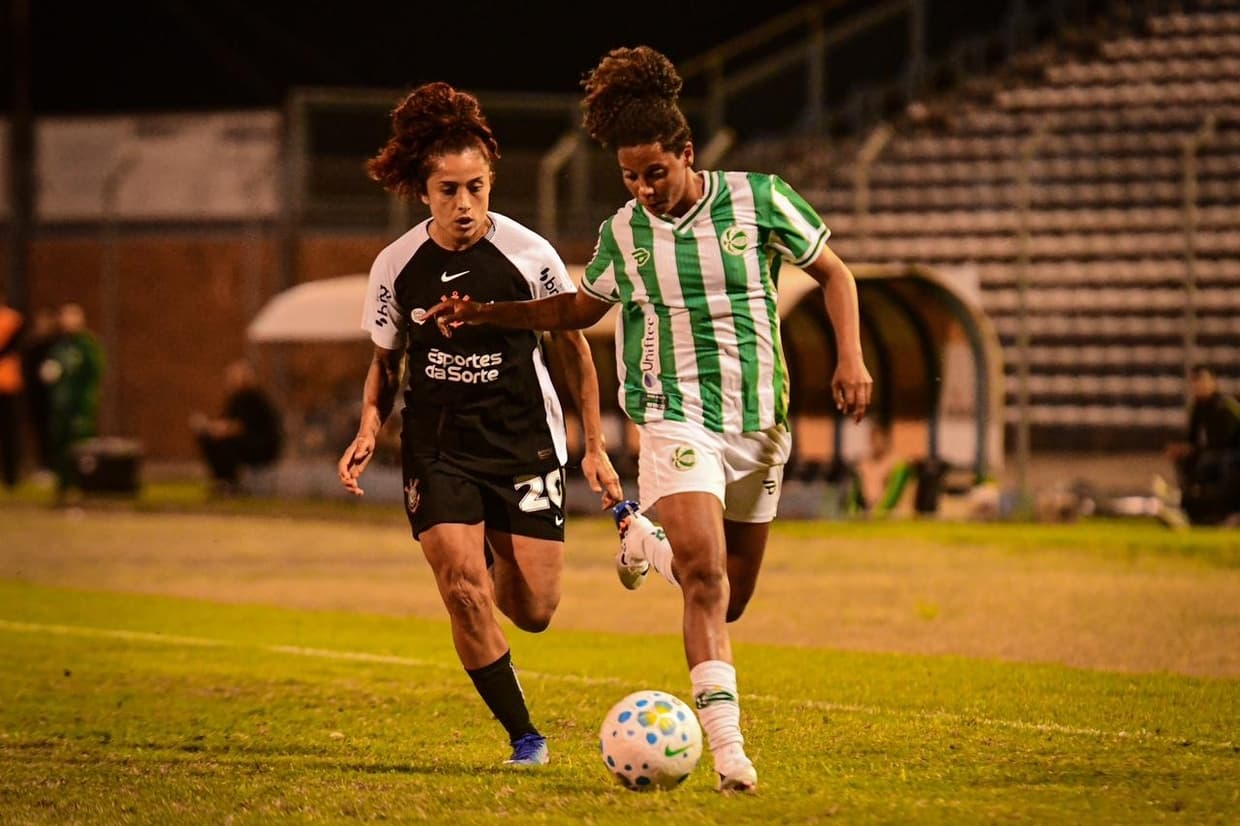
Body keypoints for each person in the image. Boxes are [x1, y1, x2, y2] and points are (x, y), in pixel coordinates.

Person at [428, 45, 872, 792]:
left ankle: (641, 536)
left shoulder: (761, 199)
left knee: (733, 590)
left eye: (655, 172)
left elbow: (834, 272)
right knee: (705, 577)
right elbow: (578, 308)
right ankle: (730, 753)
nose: (643, 189)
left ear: (687, 153)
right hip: (674, 415)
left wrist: (850, 358)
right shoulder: (623, 234)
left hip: (760, 423)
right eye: (629, 177)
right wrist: (490, 313)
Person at [335, 81, 623, 767]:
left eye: (475, 188)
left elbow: (572, 347)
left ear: (491, 182)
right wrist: (370, 424)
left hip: (524, 443)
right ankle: (526, 737)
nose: (463, 205)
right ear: (422, 190)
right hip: (439, 448)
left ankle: (491, 546)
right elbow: (386, 361)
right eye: (447, 190)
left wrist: (596, 446)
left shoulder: (531, 257)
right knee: (461, 588)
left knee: (535, 610)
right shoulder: (396, 267)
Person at [189, 358, 284, 495]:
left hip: (262, 446)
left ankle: (230, 484)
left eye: (235, 377)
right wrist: (211, 428)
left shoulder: (252, 397)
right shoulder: (235, 399)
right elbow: (225, 421)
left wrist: (218, 430)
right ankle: (222, 482)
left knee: (224, 443)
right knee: (209, 440)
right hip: (246, 443)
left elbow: (240, 426)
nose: (230, 381)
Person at [40, 302, 104, 499]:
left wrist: (87, 400)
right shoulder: (59, 346)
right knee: (60, 446)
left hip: (80, 407)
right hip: (60, 406)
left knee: (81, 448)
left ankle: (83, 486)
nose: (67, 320)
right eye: (64, 316)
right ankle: (63, 486)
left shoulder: (87, 346)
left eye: (72, 316)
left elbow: (95, 373)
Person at [1164, 365, 1240, 525]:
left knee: (1212, 463)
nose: (1200, 386)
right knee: (1189, 461)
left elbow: (1224, 442)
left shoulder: (1225, 406)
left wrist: (1193, 449)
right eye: (1196, 382)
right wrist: (1183, 449)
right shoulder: (1198, 407)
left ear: (1214, 383)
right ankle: (1189, 504)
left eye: (1203, 381)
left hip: (1231, 454)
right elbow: (1192, 438)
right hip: (1216, 452)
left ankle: (1209, 509)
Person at [20, 305, 59, 476]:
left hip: (55, 396)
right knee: (39, 430)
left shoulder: (57, 345)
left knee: (54, 431)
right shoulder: (31, 345)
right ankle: (43, 465)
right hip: (35, 396)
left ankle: (56, 465)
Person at [0, 289, 25, 490]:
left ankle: (12, 477)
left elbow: (13, 347)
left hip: (7, 383)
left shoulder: (13, 320)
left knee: (10, 432)